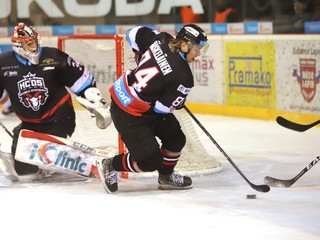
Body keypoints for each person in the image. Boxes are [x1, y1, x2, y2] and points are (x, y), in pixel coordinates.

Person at [96, 24, 209, 193]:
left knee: (176, 138)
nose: (198, 54)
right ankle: (111, 165)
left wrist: (139, 53)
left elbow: (131, 33)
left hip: (126, 96)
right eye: (197, 49)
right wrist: (174, 101)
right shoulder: (184, 78)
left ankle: (166, 176)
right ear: (184, 45)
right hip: (128, 112)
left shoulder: (161, 39)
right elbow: (161, 110)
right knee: (150, 161)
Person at [0, 23, 110, 178]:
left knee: (50, 154)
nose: (35, 47)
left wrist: (95, 101)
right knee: (25, 173)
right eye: (30, 44)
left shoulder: (54, 57)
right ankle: (41, 167)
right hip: (29, 125)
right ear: (18, 46)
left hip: (60, 118)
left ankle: (92, 164)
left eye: (35, 42)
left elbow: (81, 80)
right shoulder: (3, 64)